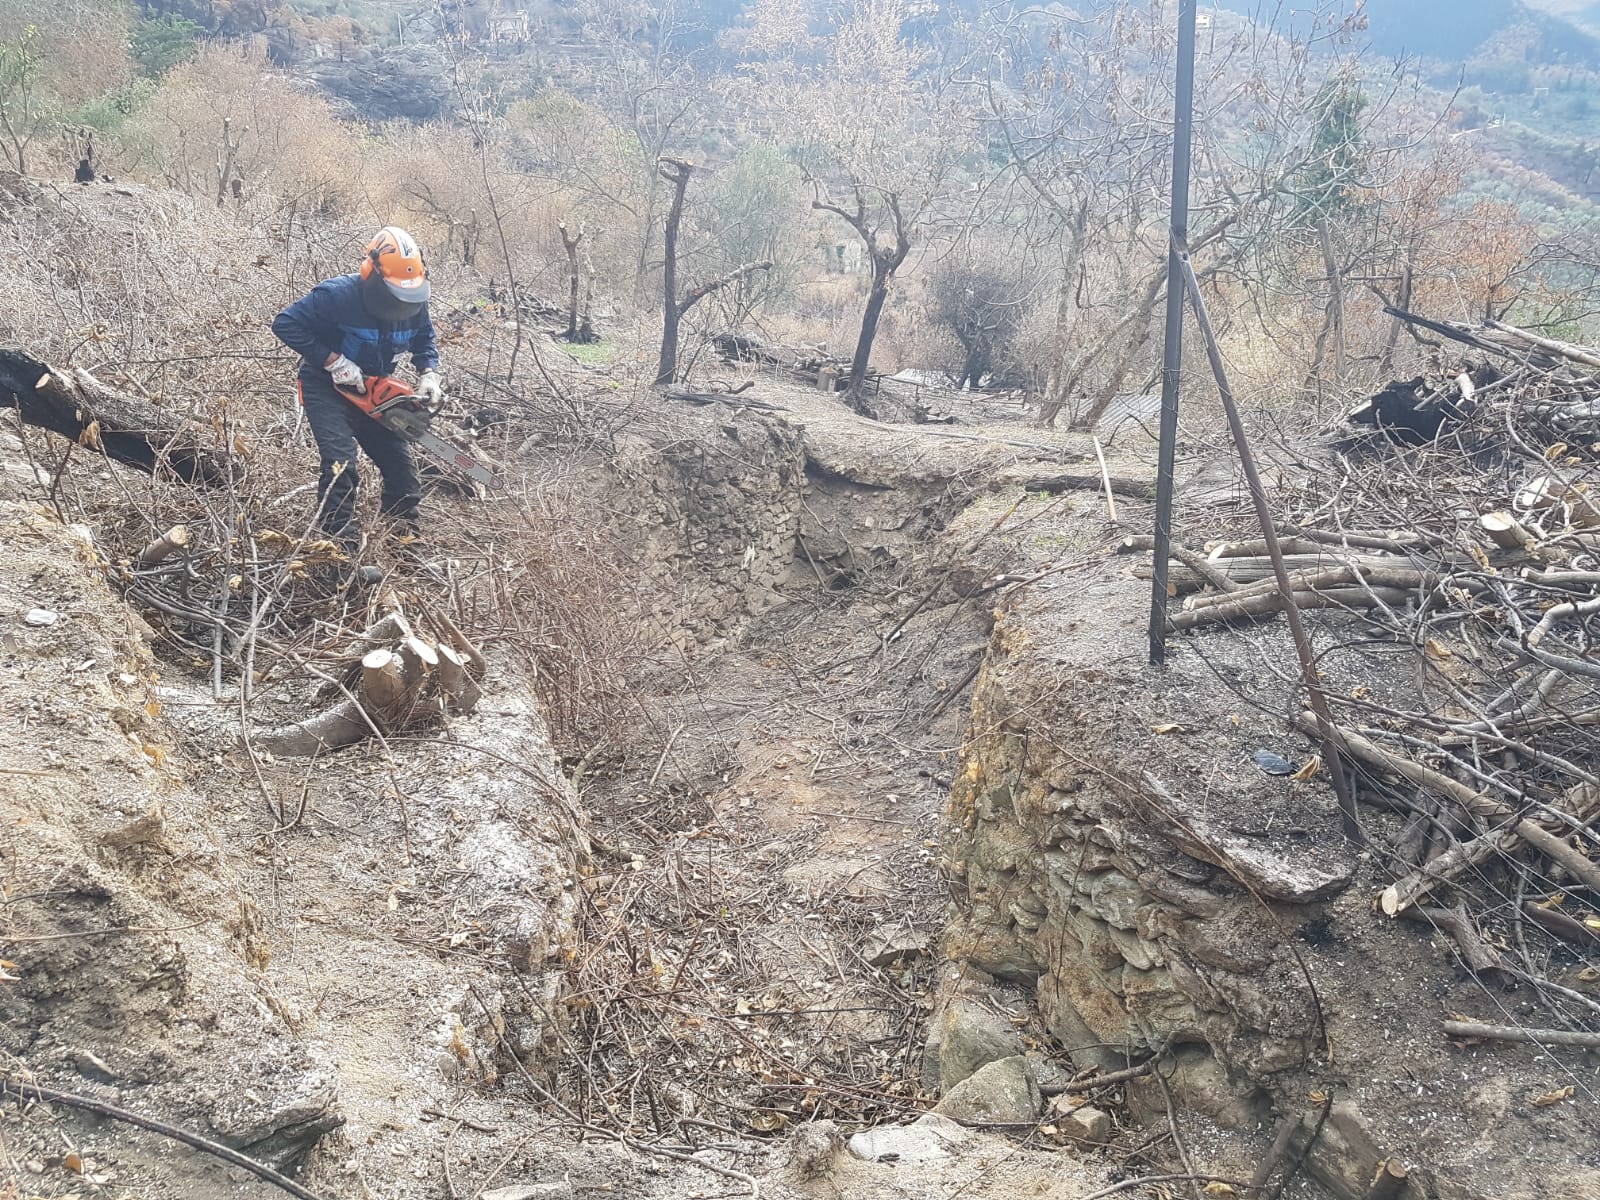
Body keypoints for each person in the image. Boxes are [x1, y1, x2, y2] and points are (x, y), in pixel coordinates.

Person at [272, 226, 442, 545]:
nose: (401, 304)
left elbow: (424, 339)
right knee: (341, 464)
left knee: (402, 470)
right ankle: (339, 546)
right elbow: (285, 324)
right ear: (372, 274)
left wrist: (429, 372)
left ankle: (403, 541)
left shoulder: (414, 300)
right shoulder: (337, 296)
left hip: (373, 391)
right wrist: (333, 361)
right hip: (326, 387)